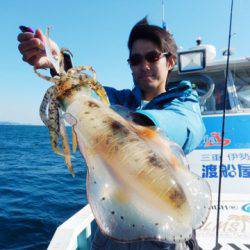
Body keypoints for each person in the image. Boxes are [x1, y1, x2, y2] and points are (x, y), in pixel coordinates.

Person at [18, 18, 205, 250]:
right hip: (115, 232)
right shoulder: (116, 100)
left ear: (170, 61)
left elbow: (187, 128)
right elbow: (83, 95)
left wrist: (127, 126)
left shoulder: (185, 103)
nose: (144, 65)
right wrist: (58, 62)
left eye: (153, 56)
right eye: (136, 60)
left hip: (167, 233)